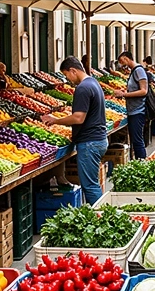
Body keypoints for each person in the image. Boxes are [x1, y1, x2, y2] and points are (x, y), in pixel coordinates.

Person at [42, 57, 108, 204]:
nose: (68, 80)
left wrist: (55, 120)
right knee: (92, 183)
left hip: (90, 142)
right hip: (98, 139)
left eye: (67, 75)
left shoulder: (83, 88)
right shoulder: (93, 82)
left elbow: (78, 118)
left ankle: (103, 217)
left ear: (73, 70)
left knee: (90, 186)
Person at [113, 51, 148, 160]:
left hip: (138, 110)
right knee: (135, 139)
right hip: (133, 110)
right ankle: (138, 162)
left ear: (126, 58)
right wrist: (125, 91)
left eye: (121, 61)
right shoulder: (134, 71)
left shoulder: (139, 70)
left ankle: (141, 163)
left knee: (137, 140)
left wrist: (124, 94)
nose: (121, 64)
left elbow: (144, 91)